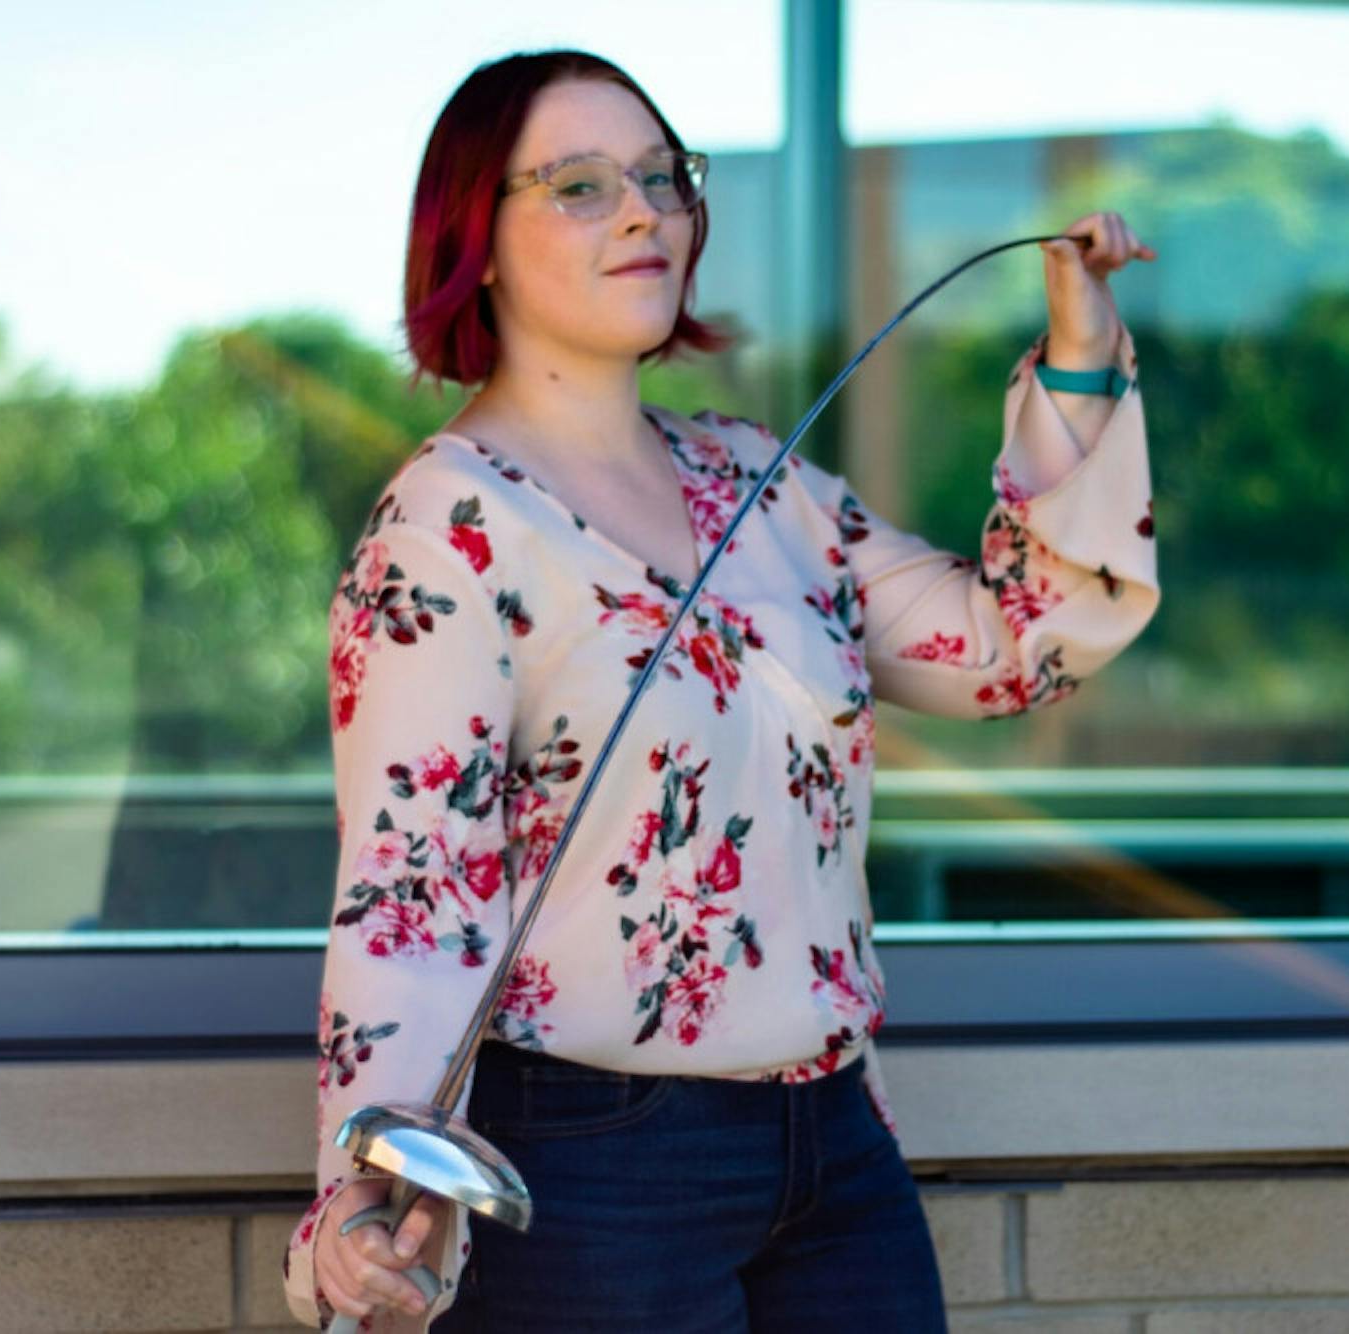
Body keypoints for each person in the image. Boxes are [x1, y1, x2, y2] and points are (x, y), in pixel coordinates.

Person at [283, 46, 1160, 1333]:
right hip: (588, 1160)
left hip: (832, 1145)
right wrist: (365, 1198)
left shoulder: (754, 477)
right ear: (474, 237)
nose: (642, 209)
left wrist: (1077, 358)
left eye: (660, 175)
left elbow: (1009, 645)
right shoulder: (447, 529)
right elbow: (413, 903)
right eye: (579, 184)